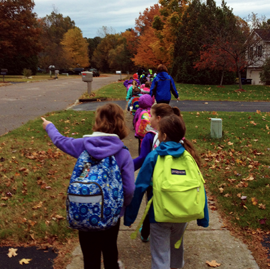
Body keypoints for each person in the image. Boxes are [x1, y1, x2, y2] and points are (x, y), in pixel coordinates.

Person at [41, 103, 135, 269]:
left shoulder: (83, 145)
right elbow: (129, 189)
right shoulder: (123, 152)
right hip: (111, 215)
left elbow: (60, 140)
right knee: (110, 250)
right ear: (120, 124)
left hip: (84, 208)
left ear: (98, 121)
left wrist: (49, 126)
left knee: (90, 257)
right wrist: (123, 206)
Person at [125, 114, 209, 269]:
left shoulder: (154, 156)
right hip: (183, 213)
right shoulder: (189, 155)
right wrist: (203, 218)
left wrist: (130, 216)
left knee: (160, 255)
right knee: (176, 248)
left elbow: (139, 187)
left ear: (162, 135)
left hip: (159, 215)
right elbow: (199, 186)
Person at [133, 104, 183, 243]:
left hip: (154, 181)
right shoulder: (178, 134)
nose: (149, 118)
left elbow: (142, 158)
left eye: (151, 115)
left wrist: (125, 168)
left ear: (159, 118)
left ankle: (146, 232)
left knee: (152, 207)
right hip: (174, 179)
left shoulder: (149, 137)